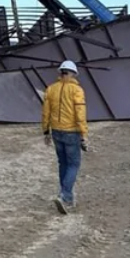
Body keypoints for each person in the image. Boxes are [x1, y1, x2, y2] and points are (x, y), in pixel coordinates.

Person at [42, 59, 88, 214]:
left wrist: (46, 131)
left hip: (56, 131)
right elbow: (80, 114)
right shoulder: (77, 90)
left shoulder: (51, 89)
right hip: (71, 131)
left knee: (63, 163)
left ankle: (64, 194)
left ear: (60, 73)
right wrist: (83, 134)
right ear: (73, 73)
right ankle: (65, 196)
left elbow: (45, 112)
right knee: (74, 164)